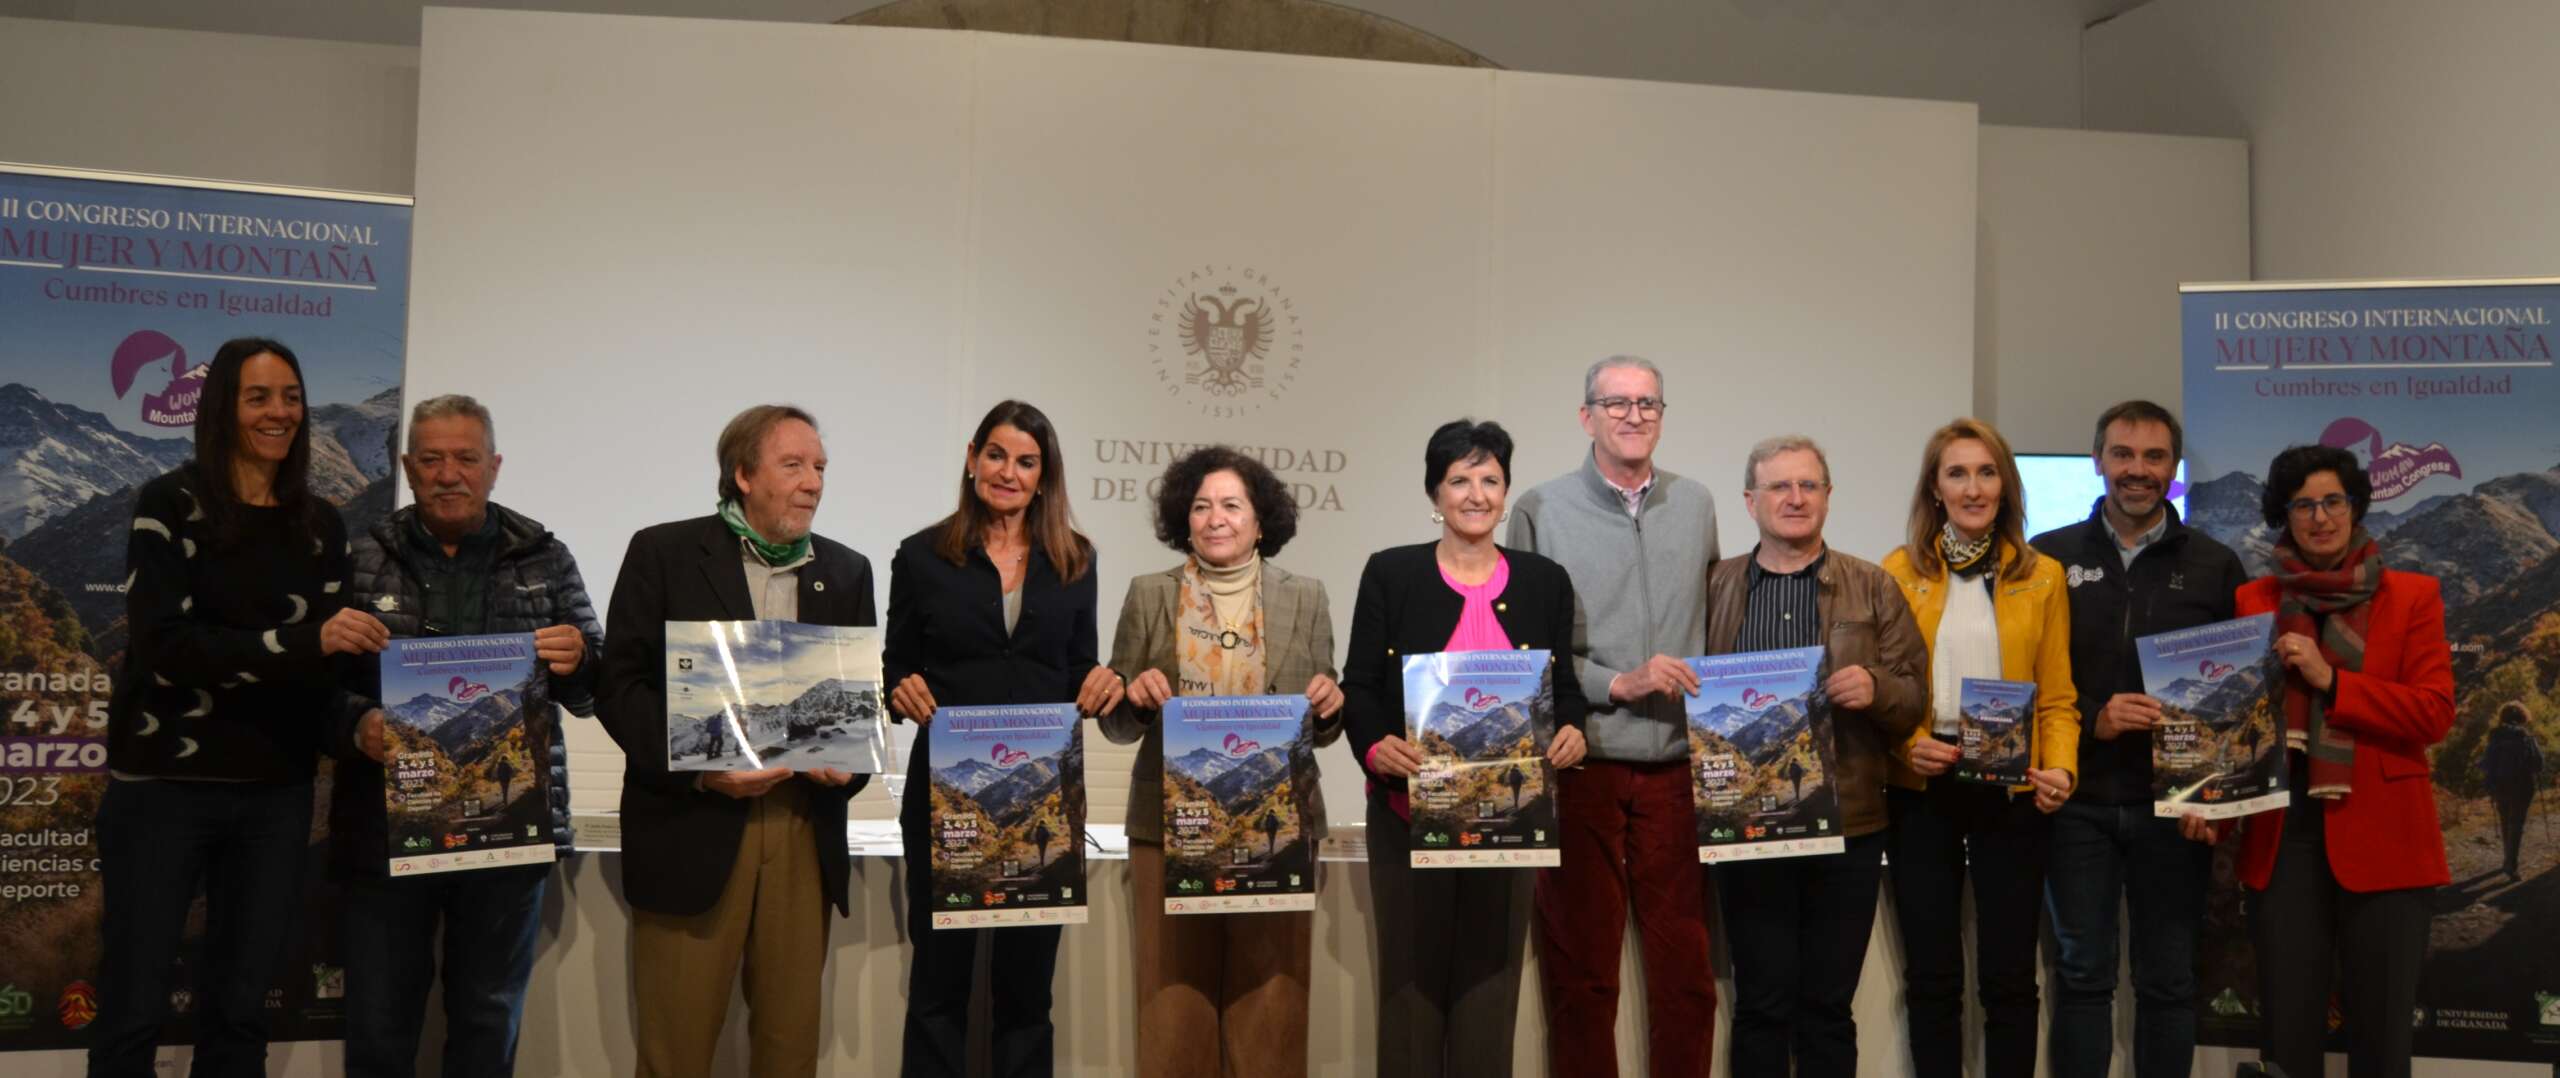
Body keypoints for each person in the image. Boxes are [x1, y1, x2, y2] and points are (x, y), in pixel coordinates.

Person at [91, 338, 390, 1077]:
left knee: (242, 1007)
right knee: (133, 1002)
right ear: (222, 406)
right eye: (259, 397)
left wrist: (359, 724)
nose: (279, 412)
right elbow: (165, 648)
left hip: (275, 795)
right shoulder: (170, 504)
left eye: (290, 396)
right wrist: (302, 640)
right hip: (164, 790)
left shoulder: (321, 525)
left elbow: (318, 674)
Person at [323, 394, 604, 1078]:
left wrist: (580, 658)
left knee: (487, 1021)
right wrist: (354, 721)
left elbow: (595, 685)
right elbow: (313, 686)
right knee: (380, 1026)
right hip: (388, 831)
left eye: (466, 458)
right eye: (433, 459)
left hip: (507, 831)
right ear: (408, 467)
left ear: (494, 466)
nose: (450, 473)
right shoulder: (359, 556)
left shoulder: (544, 556)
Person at [594, 404, 871, 1078]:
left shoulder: (847, 569)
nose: (813, 482)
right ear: (742, 474)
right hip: (695, 824)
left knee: (788, 1051)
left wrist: (848, 767)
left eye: (821, 468)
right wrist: (698, 769)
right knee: (676, 1052)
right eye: (794, 465)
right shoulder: (662, 552)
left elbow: (858, 705)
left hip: (802, 830)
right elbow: (620, 688)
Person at [1340, 418, 1590, 1078]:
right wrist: (1374, 749)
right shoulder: (1391, 574)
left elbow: (1563, 687)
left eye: (1490, 479)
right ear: (1435, 493)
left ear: (1506, 492)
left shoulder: (1545, 581)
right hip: (1407, 816)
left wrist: (1573, 730)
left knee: (1491, 986)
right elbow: (1359, 686)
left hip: (1511, 823)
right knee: (1410, 988)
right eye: (1459, 479)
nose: (1476, 493)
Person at [886, 399, 1121, 1078]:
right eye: (996, 455)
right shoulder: (922, 556)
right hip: (945, 797)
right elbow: (897, 664)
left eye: (1025, 462)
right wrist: (899, 687)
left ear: (1044, 477)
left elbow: (1080, 665)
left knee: (1026, 995)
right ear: (971, 458)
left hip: (1041, 800)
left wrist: (1106, 681)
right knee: (939, 989)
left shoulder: (1075, 560)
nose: (1008, 473)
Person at [1099, 445, 1343, 1078]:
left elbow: (1322, 723)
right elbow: (1118, 723)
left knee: (1274, 1006)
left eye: (1232, 505)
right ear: (1185, 519)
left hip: (1278, 826)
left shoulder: (1307, 597)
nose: (1216, 518)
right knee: (1172, 1005)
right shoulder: (1150, 594)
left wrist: (1329, 704)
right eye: (1202, 506)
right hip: (1168, 826)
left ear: (1261, 521)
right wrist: (1137, 699)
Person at [1505, 356, 1719, 1077]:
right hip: (1583, 764)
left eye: (1648, 403)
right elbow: (1524, 649)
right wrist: (1614, 682)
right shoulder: (1540, 506)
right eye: (1617, 402)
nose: (1634, 416)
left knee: (1687, 974)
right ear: (1585, 416)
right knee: (1582, 971)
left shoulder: (1696, 503)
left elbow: (1709, 626)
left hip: (1680, 770)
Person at [2029, 400, 2248, 1078]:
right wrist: (2094, 714)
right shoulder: (2046, 558)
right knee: (2083, 977)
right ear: (2099, 461)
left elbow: (2238, 697)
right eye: (2123, 455)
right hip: (2078, 801)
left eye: (2154, 457)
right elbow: (2020, 675)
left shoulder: (2214, 565)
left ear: (2173, 468)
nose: (2137, 471)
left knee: (2168, 982)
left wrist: (2211, 796)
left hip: (2174, 808)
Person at [1702, 435, 1927, 1078]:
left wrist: (1877, 687)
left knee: (1828, 1008)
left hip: (1848, 825)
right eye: (1779, 486)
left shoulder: (1873, 585)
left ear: (1828, 497)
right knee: (1761, 1005)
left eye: (1809, 486)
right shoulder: (1713, 585)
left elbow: (1914, 696)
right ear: (1750, 501)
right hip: (1747, 827)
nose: (1795, 499)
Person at [2233, 443, 2454, 1078]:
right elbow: (2234, 718)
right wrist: (2205, 801)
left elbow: (2434, 713)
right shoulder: (2254, 599)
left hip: (2386, 835)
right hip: (2283, 836)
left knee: (2383, 1042)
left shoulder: (2413, 596)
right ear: (2285, 516)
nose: (2319, 517)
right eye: (2302, 505)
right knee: (2288, 1038)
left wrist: (2334, 682)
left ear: (2355, 508)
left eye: (2333, 501)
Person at [1880, 417, 2078, 1078]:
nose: (1973, 487)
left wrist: (2061, 770)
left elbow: (2057, 697)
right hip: (1924, 788)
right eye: (1957, 473)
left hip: (2014, 790)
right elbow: (1888, 690)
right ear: (1935, 488)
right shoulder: (1898, 572)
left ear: (2005, 485)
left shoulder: (2042, 575)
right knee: (1933, 976)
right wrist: (1907, 744)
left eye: (1986, 472)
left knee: (2011, 978)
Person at [2481, 700, 2545, 882]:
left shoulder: (2495, 737)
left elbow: (2486, 763)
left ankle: (2507, 859)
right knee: (2516, 824)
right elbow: (2539, 764)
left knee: (2505, 821)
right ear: (2523, 717)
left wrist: (2490, 783)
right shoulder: (2525, 736)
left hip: (2500, 785)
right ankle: (2511, 864)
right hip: (2523, 786)